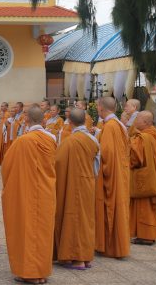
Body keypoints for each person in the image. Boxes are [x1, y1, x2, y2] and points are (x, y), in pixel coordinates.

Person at [1, 105, 56, 285]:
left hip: (27, 192)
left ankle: (30, 273)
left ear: (26, 120)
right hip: (46, 192)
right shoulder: (52, 139)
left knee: (27, 231)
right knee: (42, 232)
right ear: (44, 120)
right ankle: (41, 272)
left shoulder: (23, 141)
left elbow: (7, 168)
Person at [53, 107, 99, 271]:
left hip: (72, 185)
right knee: (86, 220)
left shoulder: (69, 142)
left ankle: (78, 259)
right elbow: (96, 166)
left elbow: (56, 164)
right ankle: (86, 258)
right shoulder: (93, 140)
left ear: (70, 122)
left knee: (74, 219)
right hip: (88, 184)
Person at [95, 96, 131, 259]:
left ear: (102, 108)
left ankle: (112, 246)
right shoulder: (117, 125)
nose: (97, 109)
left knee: (112, 209)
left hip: (111, 175)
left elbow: (106, 155)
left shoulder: (110, 127)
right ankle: (116, 246)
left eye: (97, 107)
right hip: (120, 172)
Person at [129, 111, 156, 246]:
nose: (135, 121)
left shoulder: (143, 137)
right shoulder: (154, 133)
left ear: (144, 122)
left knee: (144, 207)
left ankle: (146, 236)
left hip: (145, 177)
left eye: (137, 119)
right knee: (151, 206)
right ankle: (149, 234)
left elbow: (135, 159)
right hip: (154, 174)